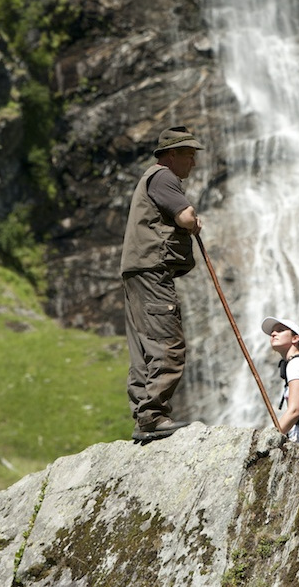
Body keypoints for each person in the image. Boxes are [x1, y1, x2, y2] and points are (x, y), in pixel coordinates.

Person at [120, 125, 205, 442]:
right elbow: (184, 217)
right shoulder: (164, 176)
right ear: (171, 154)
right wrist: (194, 218)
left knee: (144, 346)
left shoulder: (150, 178)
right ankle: (154, 415)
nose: (193, 163)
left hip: (138, 269)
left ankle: (145, 415)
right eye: (189, 154)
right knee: (168, 341)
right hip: (153, 269)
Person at [263, 316, 299, 444]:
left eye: (280, 330)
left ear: (295, 338)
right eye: (273, 332)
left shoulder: (297, 364)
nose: (273, 333)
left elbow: (294, 411)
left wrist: (268, 441)